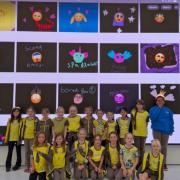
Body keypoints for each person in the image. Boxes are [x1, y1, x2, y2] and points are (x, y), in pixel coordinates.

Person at [149, 91, 174, 170]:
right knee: (156, 147)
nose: (160, 101)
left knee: (164, 148)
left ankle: (163, 164)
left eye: (161, 100)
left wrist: (171, 129)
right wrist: (159, 109)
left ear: (164, 101)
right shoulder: (153, 109)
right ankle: (155, 163)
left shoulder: (168, 110)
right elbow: (153, 118)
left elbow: (171, 121)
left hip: (166, 131)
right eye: (158, 100)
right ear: (156, 102)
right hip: (156, 130)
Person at [21, 106, 39, 173]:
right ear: (27, 112)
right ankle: (27, 166)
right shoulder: (25, 119)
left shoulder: (36, 119)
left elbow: (38, 129)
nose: (30, 113)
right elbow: (22, 128)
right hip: (26, 137)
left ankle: (32, 166)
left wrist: (36, 138)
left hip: (33, 138)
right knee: (27, 152)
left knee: (32, 152)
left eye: (32, 111)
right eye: (29, 111)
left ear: (34, 112)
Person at [131, 100, 149, 165]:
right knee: (137, 148)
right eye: (138, 104)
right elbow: (132, 123)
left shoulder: (146, 113)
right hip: (136, 134)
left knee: (142, 148)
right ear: (136, 105)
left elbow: (146, 124)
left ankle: (142, 162)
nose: (139, 106)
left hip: (143, 133)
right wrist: (132, 133)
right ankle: (137, 162)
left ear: (143, 105)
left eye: (140, 104)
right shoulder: (133, 112)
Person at [5, 107, 23, 172]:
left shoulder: (21, 120)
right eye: (14, 112)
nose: (16, 113)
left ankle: (17, 165)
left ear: (19, 113)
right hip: (10, 139)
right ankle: (8, 166)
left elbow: (22, 130)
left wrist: (20, 139)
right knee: (9, 153)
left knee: (18, 153)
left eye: (17, 112)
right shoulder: (10, 120)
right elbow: (7, 130)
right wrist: (6, 138)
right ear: (12, 113)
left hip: (18, 139)